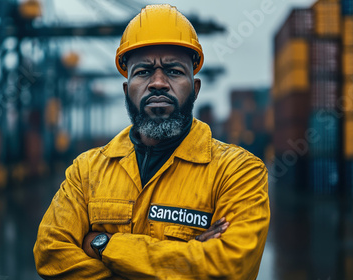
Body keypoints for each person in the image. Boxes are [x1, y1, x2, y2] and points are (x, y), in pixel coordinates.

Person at [34, 4, 270, 279]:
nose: (158, 82)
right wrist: (191, 256)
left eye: (174, 71)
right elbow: (50, 254)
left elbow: (229, 267)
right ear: (127, 89)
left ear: (195, 89)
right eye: (143, 71)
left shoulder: (239, 172)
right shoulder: (86, 172)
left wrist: (102, 244)